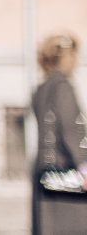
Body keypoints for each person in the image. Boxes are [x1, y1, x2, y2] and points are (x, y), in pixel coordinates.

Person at [34, 33, 87, 234]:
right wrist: (84, 168)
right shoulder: (64, 87)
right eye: (75, 55)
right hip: (67, 170)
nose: (77, 61)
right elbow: (71, 132)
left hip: (45, 170)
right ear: (66, 58)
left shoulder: (42, 88)